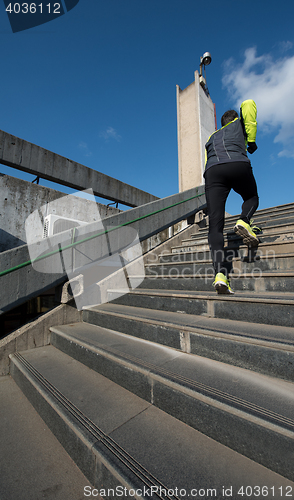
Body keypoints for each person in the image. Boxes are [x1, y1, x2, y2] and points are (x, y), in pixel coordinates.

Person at [204, 99, 259, 295]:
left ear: (221, 123)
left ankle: (220, 275)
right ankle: (244, 221)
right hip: (236, 163)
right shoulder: (239, 123)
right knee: (251, 197)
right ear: (234, 119)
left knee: (215, 225)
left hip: (212, 172)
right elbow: (248, 103)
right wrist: (250, 140)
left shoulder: (212, 136)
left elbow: (207, 159)